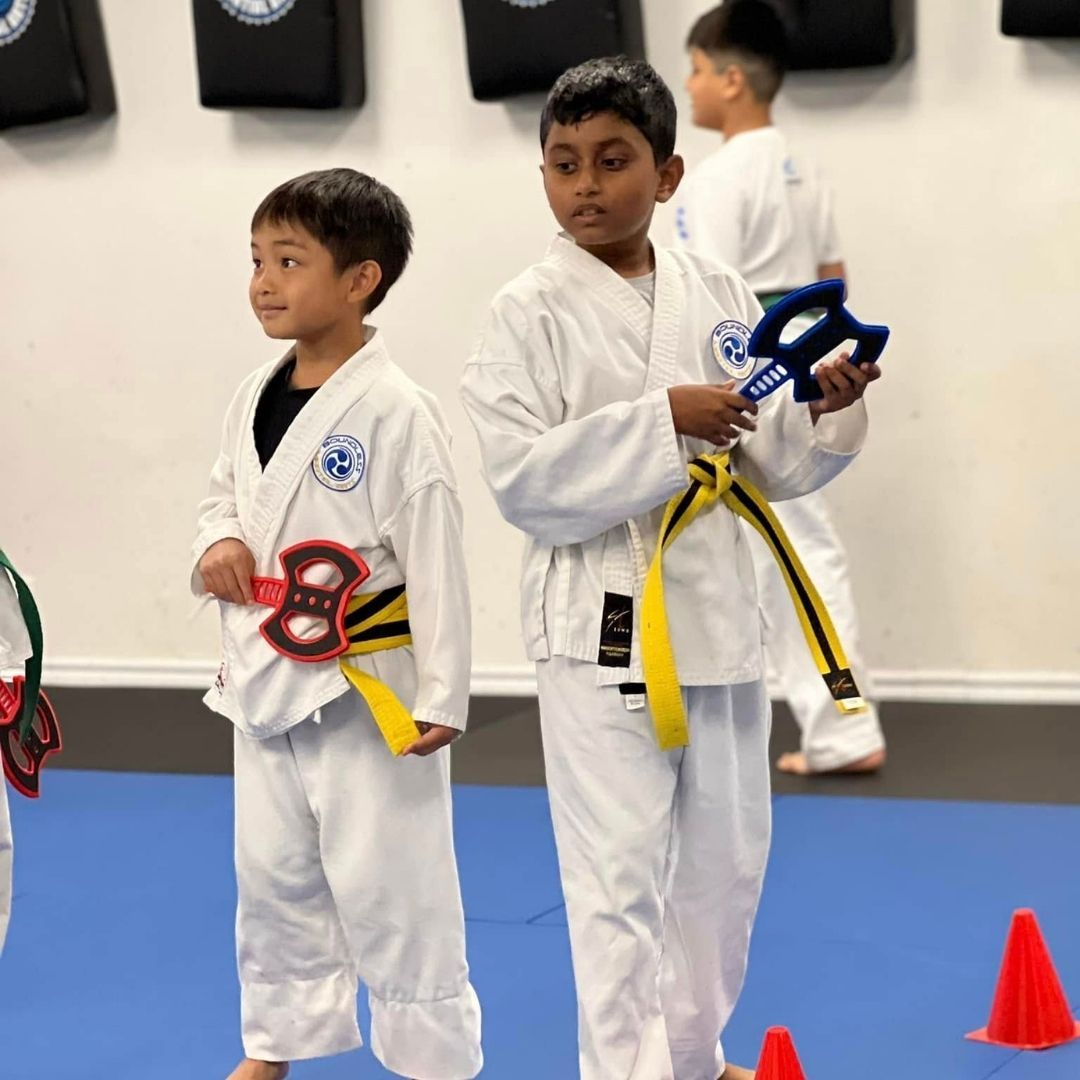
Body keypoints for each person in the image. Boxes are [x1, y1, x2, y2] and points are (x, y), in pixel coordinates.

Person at [461, 57, 880, 1080]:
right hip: (602, 620)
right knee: (616, 880)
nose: (586, 186)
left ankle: (694, 1057)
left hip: (719, 618)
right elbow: (521, 478)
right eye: (563, 164)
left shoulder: (719, 290)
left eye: (613, 160)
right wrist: (663, 421)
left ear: (670, 174)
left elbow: (771, 461)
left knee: (725, 871)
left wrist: (824, 408)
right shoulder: (524, 312)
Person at [192, 168, 482, 1080]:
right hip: (262, 677)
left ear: (361, 280)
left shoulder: (399, 410)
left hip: (368, 688)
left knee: (395, 886)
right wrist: (219, 544)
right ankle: (274, 1046)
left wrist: (444, 691)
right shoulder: (252, 392)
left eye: (289, 260)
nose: (264, 283)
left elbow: (437, 554)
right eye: (256, 261)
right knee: (273, 877)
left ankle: (432, 1060)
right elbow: (220, 500)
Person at [676, 0, 886, 775]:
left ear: (732, 80)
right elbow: (834, 279)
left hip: (755, 369)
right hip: (813, 358)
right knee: (802, 547)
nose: (689, 86)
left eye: (697, 70)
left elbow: (710, 293)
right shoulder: (801, 163)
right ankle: (838, 722)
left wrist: (731, 389)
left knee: (781, 552)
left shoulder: (718, 178)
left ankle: (842, 729)